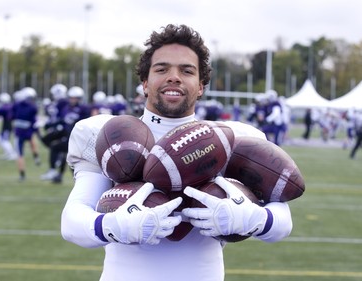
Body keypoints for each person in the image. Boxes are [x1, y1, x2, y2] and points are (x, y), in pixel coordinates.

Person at [61, 24, 294, 281]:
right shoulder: (109, 134)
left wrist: (256, 219)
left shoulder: (230, 138)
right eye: (162, 69)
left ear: (201, 85)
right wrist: (113, 226)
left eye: (187, 70)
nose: (174, 77)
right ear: (145, 83)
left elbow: (283, 222)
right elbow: (72, 221)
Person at [0, 92, 18, 160]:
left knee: (4, 140)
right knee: (0, 139)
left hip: (7, 125)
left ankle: (12, 154)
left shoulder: (4, 108)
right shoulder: (10, 106)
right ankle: (8, 153)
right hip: (9, 124)